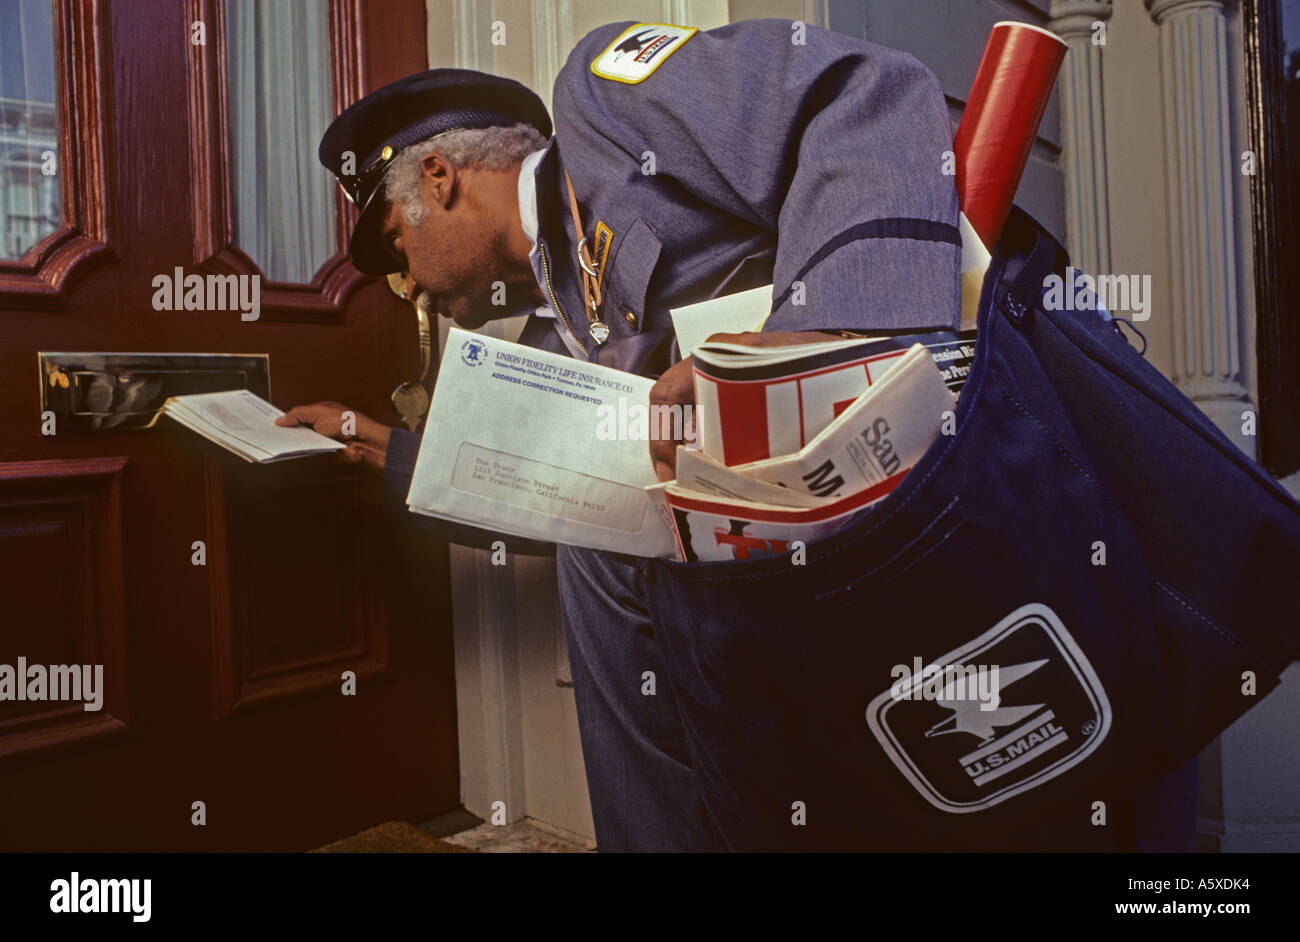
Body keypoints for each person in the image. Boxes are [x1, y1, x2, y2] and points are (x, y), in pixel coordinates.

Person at [279, 18, 1194, 851]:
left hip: (928, 480)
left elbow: (859, 94)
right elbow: (567, 491)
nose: (411, 289)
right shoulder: (557, 323)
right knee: (599, 552)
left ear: (439, 178)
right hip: (768, 569)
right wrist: (374, 444)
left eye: (396, 246)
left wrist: (818, 336)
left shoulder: (602, 104)